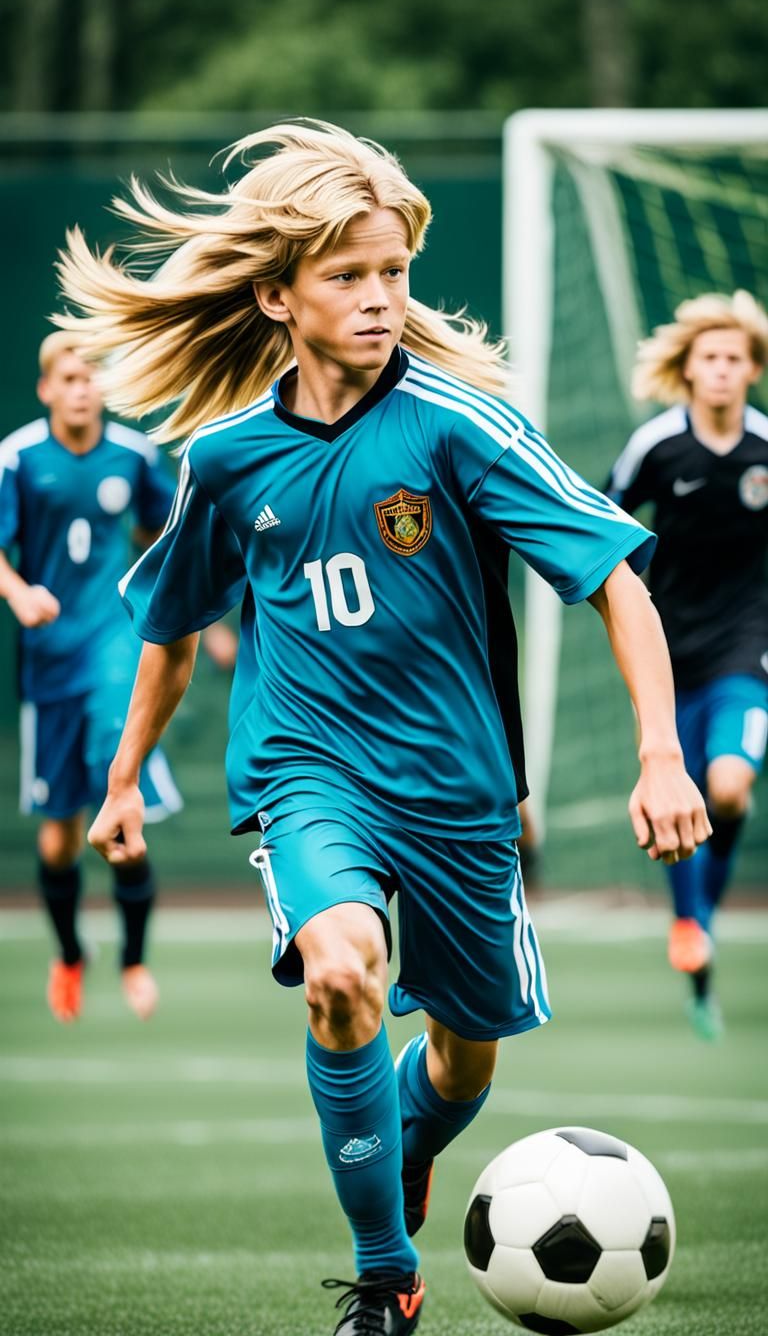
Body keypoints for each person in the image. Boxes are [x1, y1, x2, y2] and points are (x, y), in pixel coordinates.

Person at [59, 121, 709, 1334]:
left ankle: (402, 1140)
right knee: (341, 971)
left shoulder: (459, 425)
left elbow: (619, 584)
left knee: (464, 1061)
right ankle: (384, 1274)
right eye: (347, 274)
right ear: (278, 295)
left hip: (459, 790)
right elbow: (174, 627)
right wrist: (125, 777)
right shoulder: (227, 459)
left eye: (394, 272)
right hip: (308, 774)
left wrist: (661, 755)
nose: (378, 297)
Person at [0, 332, 182, 1022]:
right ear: (47, 389)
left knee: (121, 814)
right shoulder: (19, 458)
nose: (82, 390)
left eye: (92, 378)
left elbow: (164, 532)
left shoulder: (134, 456)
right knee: (59, 841)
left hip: (114, 649)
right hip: (50, 661)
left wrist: (185, 606)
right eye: (69, 379)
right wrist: (20, 593)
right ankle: (71, 953)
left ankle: (134, 960)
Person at [607, 291, 768, 1041]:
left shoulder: (765, 447)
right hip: (668, 653)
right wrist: (630, 594)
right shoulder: (657, 446)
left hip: (747, 647)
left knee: (728, 789)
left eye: (735, 358)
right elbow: (602, 522)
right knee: (682, 802)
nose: (722, 369)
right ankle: (692, 933)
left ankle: (696, 920)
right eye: (710, 357)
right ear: (689, 369)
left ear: (752, 370)